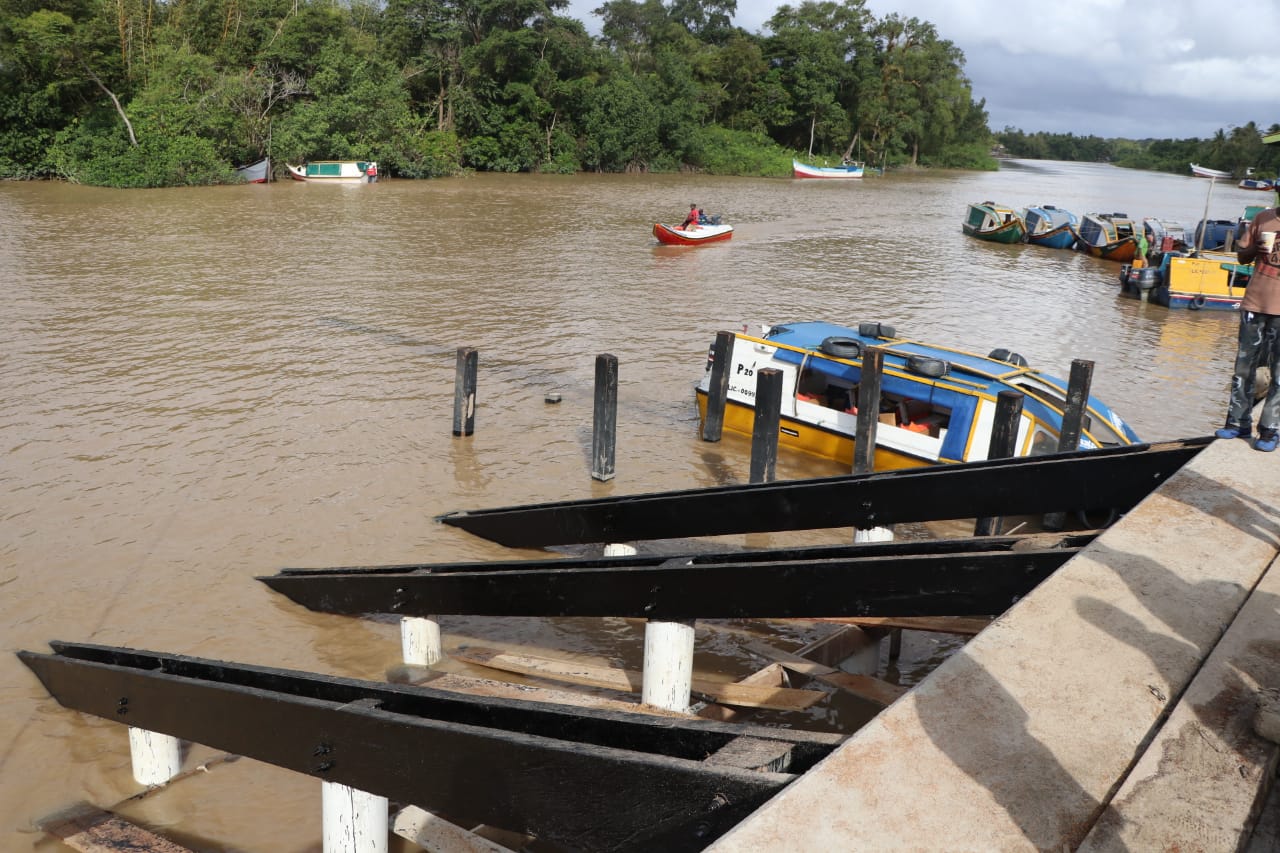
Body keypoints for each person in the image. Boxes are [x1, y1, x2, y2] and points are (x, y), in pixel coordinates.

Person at [1214, 202, 1280, 451]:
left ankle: (1270, 430)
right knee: (1243, 368)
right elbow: (1242, 256)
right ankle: (1238, 423)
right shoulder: (1263, 219)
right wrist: (1257, 247)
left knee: (1279, 374)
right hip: (1254, 305)